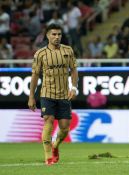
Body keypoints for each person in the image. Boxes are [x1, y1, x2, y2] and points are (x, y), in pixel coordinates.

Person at [28, 23, 78, 166]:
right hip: (47, 93)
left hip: (64, 95)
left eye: (59, 34)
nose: (57, 37)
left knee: (64, 128)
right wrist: (31, 96)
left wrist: (73, 87)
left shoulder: (68, 50)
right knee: (48, 121)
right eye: (54, 34)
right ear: (47, 36)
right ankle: (48, 156)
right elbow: (35, 75)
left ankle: (55, 145)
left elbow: (74, 70)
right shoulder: (40, 54)